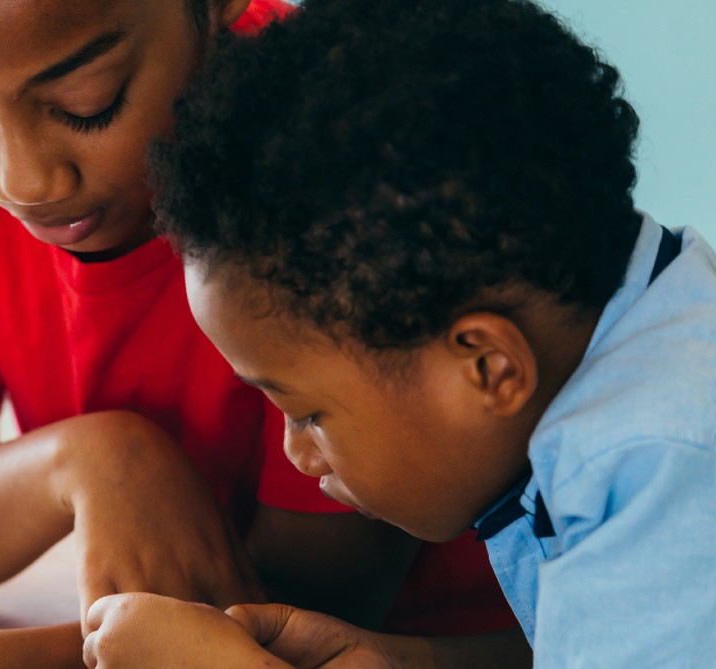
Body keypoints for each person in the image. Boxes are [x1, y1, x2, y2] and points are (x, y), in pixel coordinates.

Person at [0, 0, 521, 661]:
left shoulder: (334, 145)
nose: (25, 181)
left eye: (86, 101)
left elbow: (286, 621)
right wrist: (91, 459)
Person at [83, 0, 716, 666]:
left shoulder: (660, 463)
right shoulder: (656, 307)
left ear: (486, 367)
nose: (299, 453)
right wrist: (409, 660)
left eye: (304, 412)